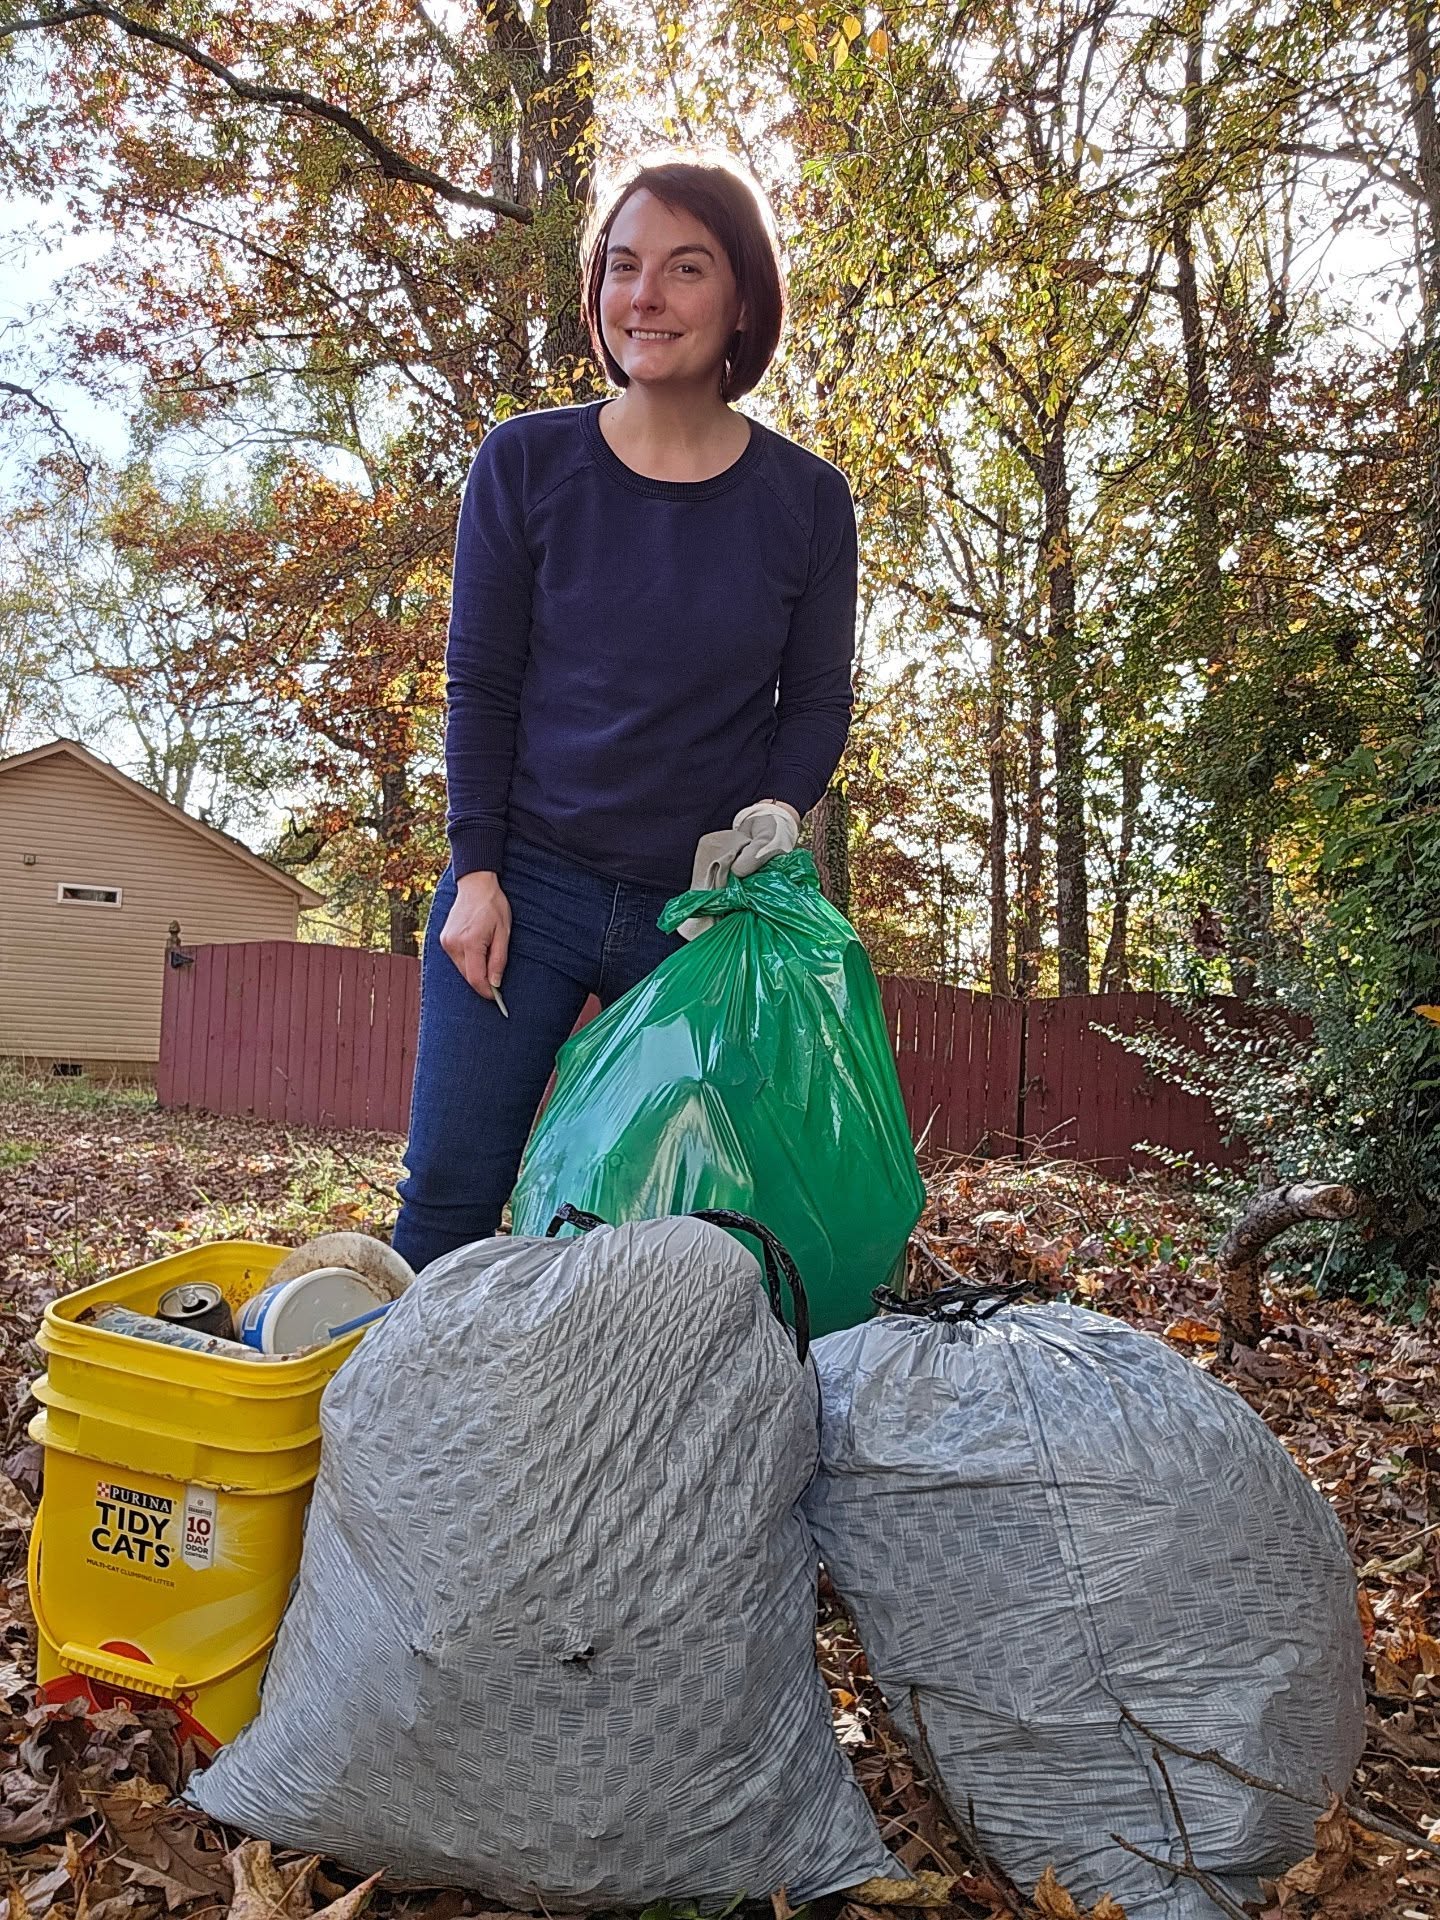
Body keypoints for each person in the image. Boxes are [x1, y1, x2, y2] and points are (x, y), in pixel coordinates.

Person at [391, 150, 859, 1275]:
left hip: (696, 923)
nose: (645, 297)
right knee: (450, 1194)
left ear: (743, 297)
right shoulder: (525, 463)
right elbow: (482, 681)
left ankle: (629, 1445)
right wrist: (479, 869)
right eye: (623, 266)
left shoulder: (806, 501)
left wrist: (778, 819)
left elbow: (818, 699)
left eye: (686, 268)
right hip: (524, 892)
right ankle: (392, 1449)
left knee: (673, 1230)